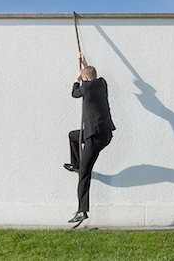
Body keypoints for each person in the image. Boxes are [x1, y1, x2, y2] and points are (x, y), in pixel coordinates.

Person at [64, 53, 116, 223]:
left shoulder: (85, 88)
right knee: (73, 136)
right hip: (105, 134)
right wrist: (84, 66)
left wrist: (77, 78)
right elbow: (92, 76)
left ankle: (82, 210)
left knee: (85, 174)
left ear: (85, 78)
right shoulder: (102, 84)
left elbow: (74, 93)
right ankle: (77, 163)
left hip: (94, 136)